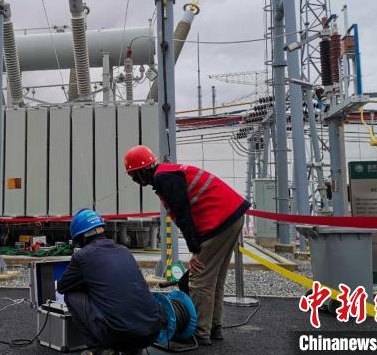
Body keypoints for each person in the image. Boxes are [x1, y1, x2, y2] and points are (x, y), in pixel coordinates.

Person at [123, 145, 250, 345]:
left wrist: (195, 250)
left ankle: (199, 332)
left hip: (219, 221)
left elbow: (183, 213)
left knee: (199, 279)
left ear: (143, 169)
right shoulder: (168, 173)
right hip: (232, 216)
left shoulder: (164, 178)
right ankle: (213, 327)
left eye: (133, 174)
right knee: (215, 278)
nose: (134, 180)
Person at [57, 209, 161, 355]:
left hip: (119, 336)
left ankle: (100, 350)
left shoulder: (82, 256)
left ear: (81, 237)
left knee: (71, 296)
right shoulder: (124, 251)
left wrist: (84, 284)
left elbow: (62, 287)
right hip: (152, 331)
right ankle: (134, 351)